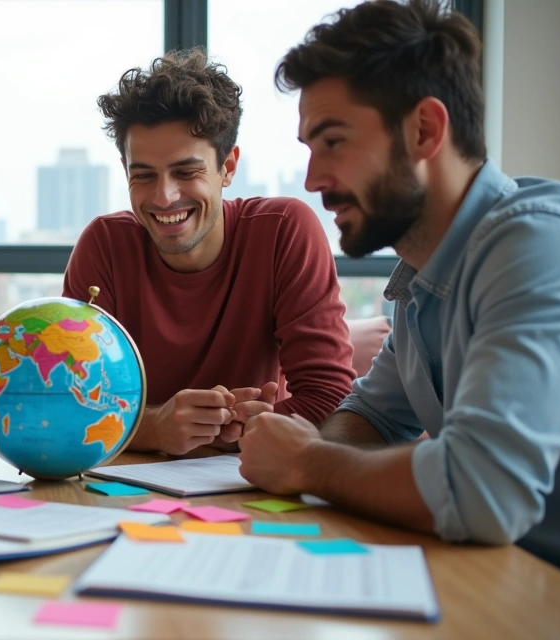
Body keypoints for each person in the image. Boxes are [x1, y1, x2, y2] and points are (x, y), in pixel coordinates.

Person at [238, 0, 560, 579]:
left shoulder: (536, 244)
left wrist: (307, 463)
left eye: (334, 142)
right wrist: (307, 447)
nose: (313, 179)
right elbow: (372, 416)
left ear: (424, 130)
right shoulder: (423, 280)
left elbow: (484, 492)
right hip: (500, 576)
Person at [63, 49, 355, 456]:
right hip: (130, 480)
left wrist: (238, 432)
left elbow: (330, 397)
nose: (164, 197)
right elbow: (67, 404)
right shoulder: (105, 246)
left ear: (228, 167)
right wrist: (154, 428)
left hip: (252, 481)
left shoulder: (284, 230)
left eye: (187, 172)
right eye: (143, 175)